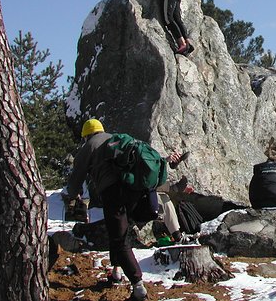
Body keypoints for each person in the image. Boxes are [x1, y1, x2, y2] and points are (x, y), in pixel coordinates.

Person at [62, 119, 186, 300]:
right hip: (133, 190)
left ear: (86, 135)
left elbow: (75, 181)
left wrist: (72, 196)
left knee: (119, 238)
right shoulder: (117, 139)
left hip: (113, 194)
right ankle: (116, 272)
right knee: (120, 232)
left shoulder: (88, 146)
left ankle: (138, 286)